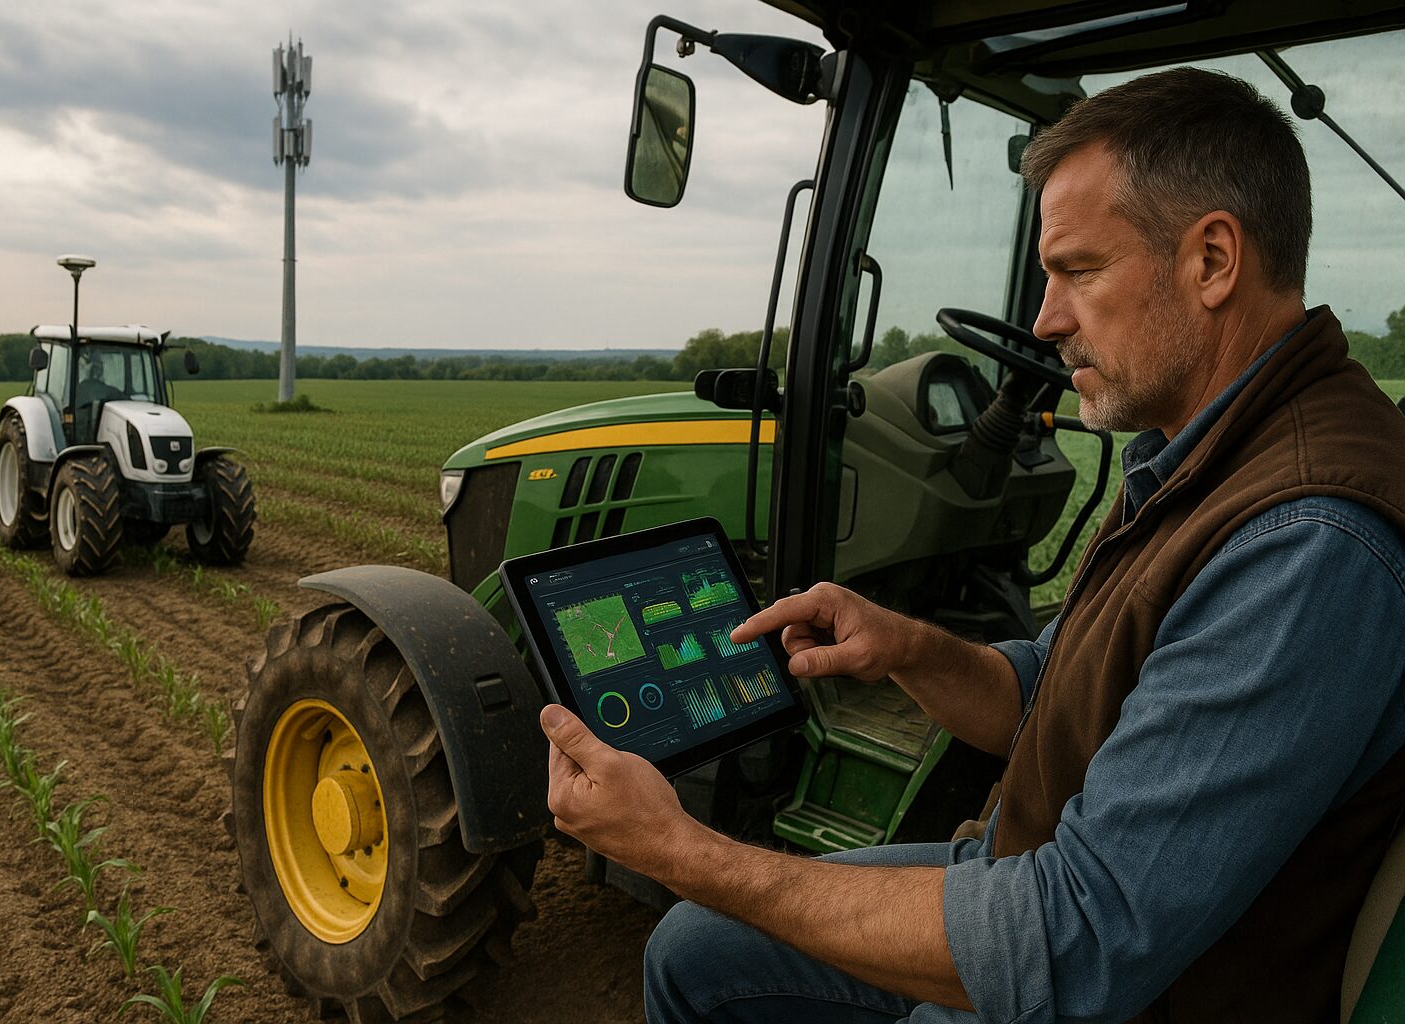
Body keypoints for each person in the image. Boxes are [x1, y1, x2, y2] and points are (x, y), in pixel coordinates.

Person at [540, 66, 1405, 1023]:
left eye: (1078, 269)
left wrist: (681, 852)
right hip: (1035, 868)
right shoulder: (1199, 453)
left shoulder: (1305, 538)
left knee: (703, 923)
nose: (1045, 319)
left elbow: (1074, 944)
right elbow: (1066, 695)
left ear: (1211, 261)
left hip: (1129, 979)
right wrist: (907, 646)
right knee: (695, 953)